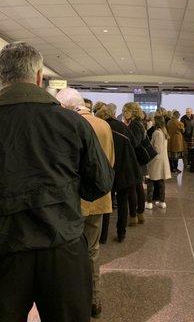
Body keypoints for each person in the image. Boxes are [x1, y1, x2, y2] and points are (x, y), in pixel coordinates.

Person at [0, 42, 114, 322]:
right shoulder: (72, 123)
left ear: (2, 77)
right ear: (39, 76)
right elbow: (100, 182)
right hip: (62, 246)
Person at [56, 88, 115, 318]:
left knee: (68, 252)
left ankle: (72, 300)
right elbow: (109, 161)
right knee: (92, 250)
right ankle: (94, 299)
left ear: (68, 107)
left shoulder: (69, 125)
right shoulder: (104, 125)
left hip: (75, 200)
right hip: (99, 198)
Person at [95, 103, 143, 243]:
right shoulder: (122, 126)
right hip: (126, 168)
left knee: (107, 202)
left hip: (109, 169)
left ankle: (103, 236)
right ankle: (121, 233)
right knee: (123, 202)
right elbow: (134, 142)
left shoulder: (101, 127)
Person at [123, 102, 146, 225]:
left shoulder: (135, 124)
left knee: (134, 188)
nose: (124, 113)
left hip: (134, 160)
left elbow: (135, 142)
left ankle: (134, 215)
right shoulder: (137, 123)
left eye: (125, 110)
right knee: (137, 187)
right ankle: (139, 214)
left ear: (132, 111)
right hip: (136, 160)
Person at [146, 116, 171, 209]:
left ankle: (149, 202)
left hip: (156, 160)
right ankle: (162, 201)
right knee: (160, 181)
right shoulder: (164, 132)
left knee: (151, 180)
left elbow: (156, 148)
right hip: (163, 159)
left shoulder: (157, 133)